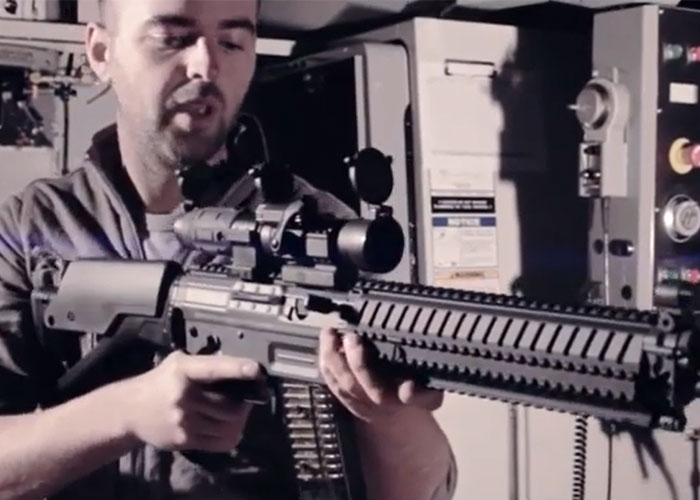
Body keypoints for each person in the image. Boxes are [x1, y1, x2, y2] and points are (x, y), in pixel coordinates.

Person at [0, 0, 456, 499]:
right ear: (101, 52)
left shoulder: (319, 230)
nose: (206, 65)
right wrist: (126, 412)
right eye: (173, 38)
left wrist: (390, 418)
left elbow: (426, 490)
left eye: (233, 42)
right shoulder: (33, 227)